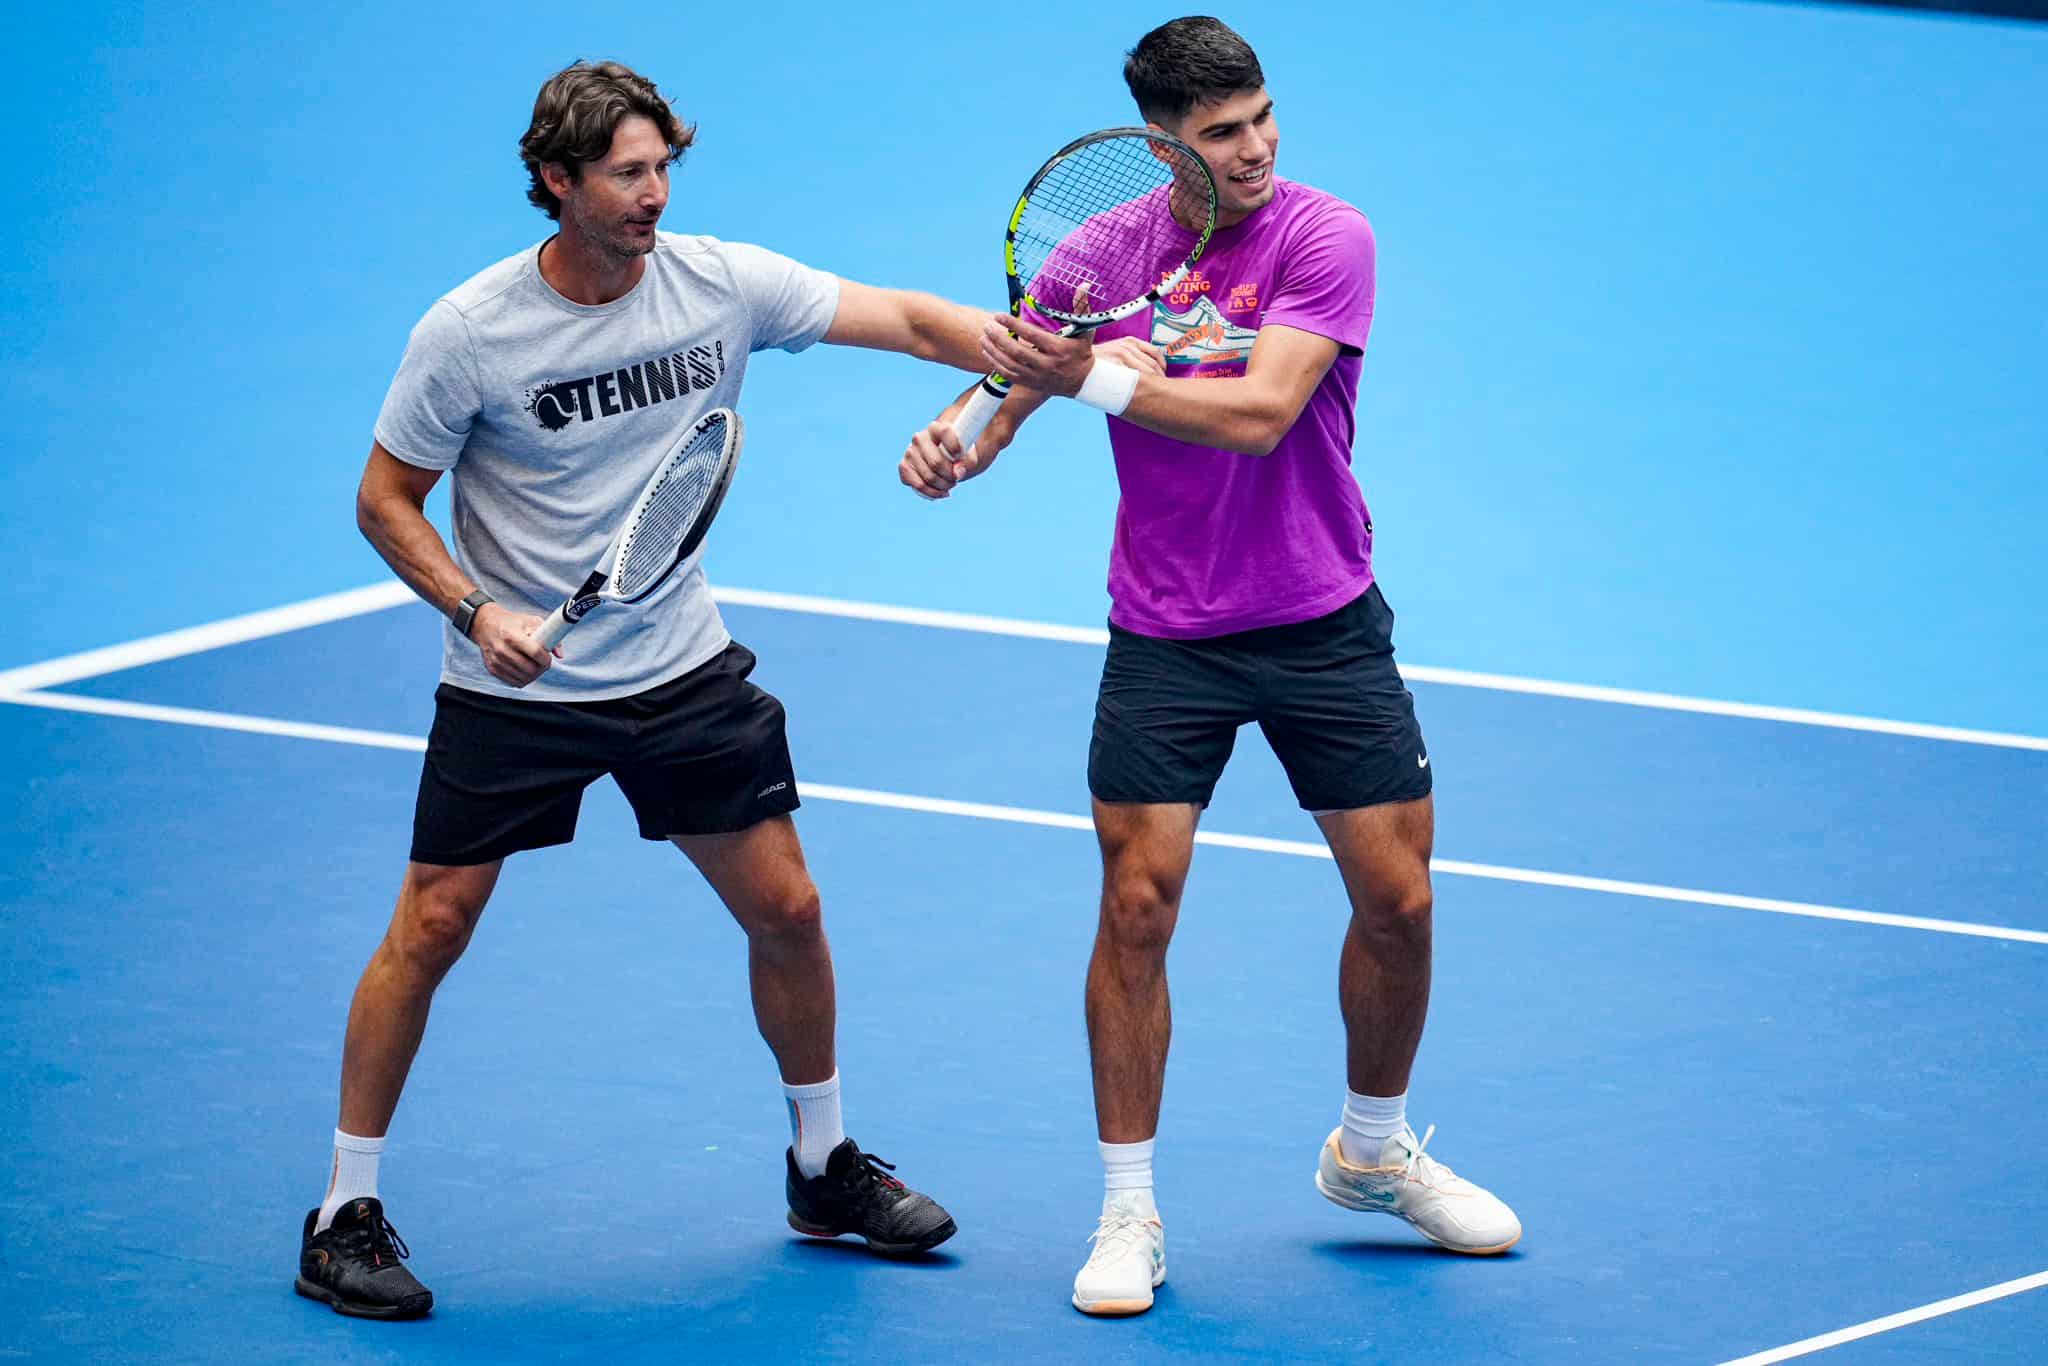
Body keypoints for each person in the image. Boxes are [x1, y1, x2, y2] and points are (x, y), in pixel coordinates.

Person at [298, 58, 1007, 1320]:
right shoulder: (469, 332)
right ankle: (341, 1212)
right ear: (556, 182)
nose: (654, 194)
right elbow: (381, 501)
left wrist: (1005, 350)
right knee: (434, 927)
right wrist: (477, 608)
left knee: (787, 908)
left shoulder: (716, 284)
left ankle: (820, 1165)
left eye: (663, 165)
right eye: (626, 172)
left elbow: (899, 318)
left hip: (677, 665)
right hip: (516, 688)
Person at [899, 17, 1521, 1317]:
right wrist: (962, 437)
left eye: (1263, 120)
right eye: (1223, 133)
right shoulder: (1098, 251)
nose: (1256, 149)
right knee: (1137, 905)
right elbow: (1014, 383)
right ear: (1161, 141)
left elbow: (1259, 413)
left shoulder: (1320, 236)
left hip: (1320, 617)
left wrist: (1099, 380)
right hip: (1167, 634)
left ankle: (1373, 1150)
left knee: (1399, 902)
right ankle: (1129, 1209)